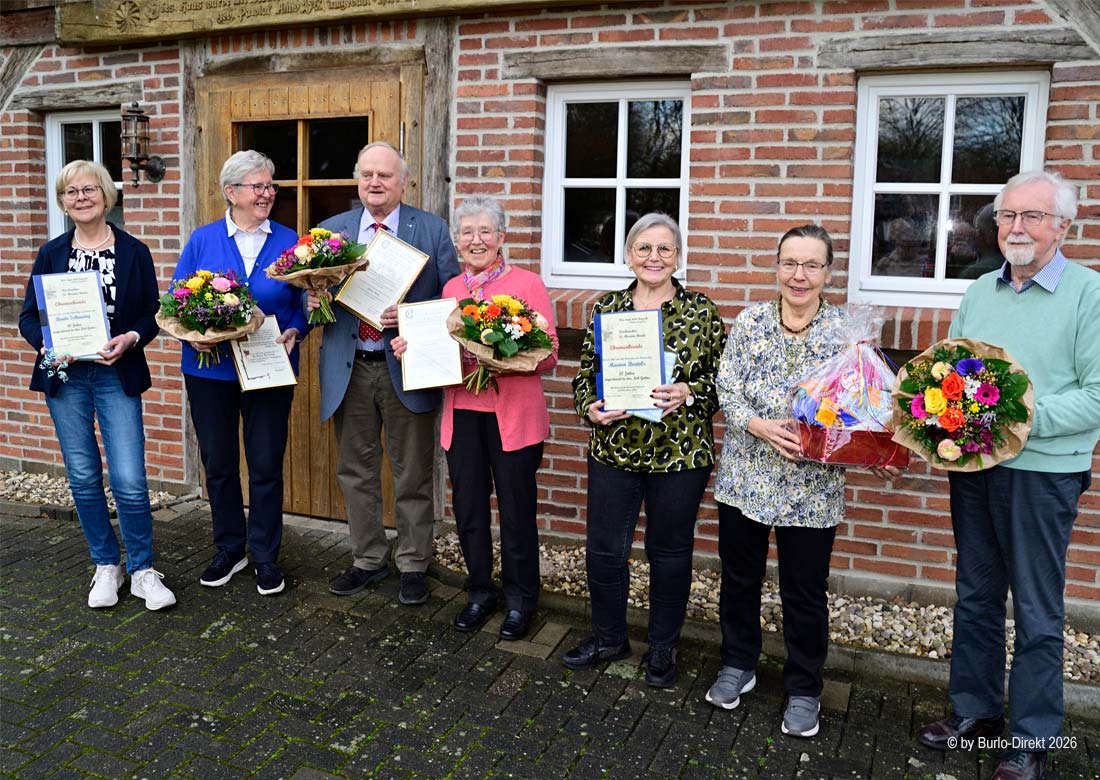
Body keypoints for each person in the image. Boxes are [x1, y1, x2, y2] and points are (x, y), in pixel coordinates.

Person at [917, 170, 1100, 780]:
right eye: (1006, 217)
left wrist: (1012, 419)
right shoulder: (979, 292)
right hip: (976, 468)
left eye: (1031, 216)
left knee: (1039, 609)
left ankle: (1032, 736)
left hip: (1043, 475)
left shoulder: (1088, 294)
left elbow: (1097, 397)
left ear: (1063, 227)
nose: (1016, 228)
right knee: (975, 595)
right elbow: (953, 374)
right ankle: (975, 712)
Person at [704, 225, 901, 737]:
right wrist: (757, 425)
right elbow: (727, 387)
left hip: (814, 489)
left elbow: (869, 407)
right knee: (740, 579)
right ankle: (738, 664)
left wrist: (877, 446)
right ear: (776, 266)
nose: (799, 275)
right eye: (790, 262)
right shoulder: (749, 322)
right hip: (745, 479)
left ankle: (805, 688)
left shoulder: (848, 334)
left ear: (828, 273)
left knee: (805, 591)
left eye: (812, 265)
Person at [562, 213, 726, 687]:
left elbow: (721, 383)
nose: (654, 257)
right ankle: (610, 637)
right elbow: (583, 374)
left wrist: (690, 393)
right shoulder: (608, 307)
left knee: (669, 553)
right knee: (603, 551)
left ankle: (662, 648)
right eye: (644, 248)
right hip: (614, 449)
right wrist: (589, 408)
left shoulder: (701, 311)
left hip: (679, 454)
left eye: (665, 249)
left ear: (677, 256)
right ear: (629, 254)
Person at [392, 195, 558, 639]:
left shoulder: (528, 284)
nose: (476, 240)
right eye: (467, 233)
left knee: (516, 510)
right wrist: (414, 349)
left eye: (485, 231)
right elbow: (439, 351)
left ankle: (522, 600)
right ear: (457, 242)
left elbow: (550, 355)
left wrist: (509, 358)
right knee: (468, 508)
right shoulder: (451, 290)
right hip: (462, 412)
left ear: (501, 238)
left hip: (514, 418)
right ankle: (480, 591)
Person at [19, 160, 175, 611]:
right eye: (71, 192)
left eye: (89, 189)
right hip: (67, 376)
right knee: (84, 477)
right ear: (63, 202)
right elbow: (30, 316)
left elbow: (153, 314)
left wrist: (131, 337)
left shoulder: (133, 251)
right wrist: (50, 343)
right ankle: (107, 563)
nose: (81, 197)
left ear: (106, 196)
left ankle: (144, 569)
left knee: (128, 478)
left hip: (115, 374)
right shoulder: (51, 253)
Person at [312, 141, 460, 606]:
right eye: (367, 175)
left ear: (404, 181)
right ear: (358, 179)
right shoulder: (330, 232)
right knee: (354, 471)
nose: (375, 183)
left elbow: (452, 305)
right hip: (350, 366)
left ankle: (414, 562)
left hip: (405, 367)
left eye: (385, 176)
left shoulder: (431, 231)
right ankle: (368, 559)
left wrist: (411, 314)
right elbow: (305, 294)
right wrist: (313, 300)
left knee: (412, 472)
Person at [172, 150, 307, 596]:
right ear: (232, 192)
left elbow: (306, 305)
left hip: (268, 367)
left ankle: (266, 555)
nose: (268, 193)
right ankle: (230, 548)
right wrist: (191, 335)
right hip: (210, 371)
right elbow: (175, 302)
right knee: (220, 464)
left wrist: (296, 329)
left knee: (266, 464)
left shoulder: (291, 241)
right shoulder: (203, 239)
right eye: (258, 186)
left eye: (271, 186)